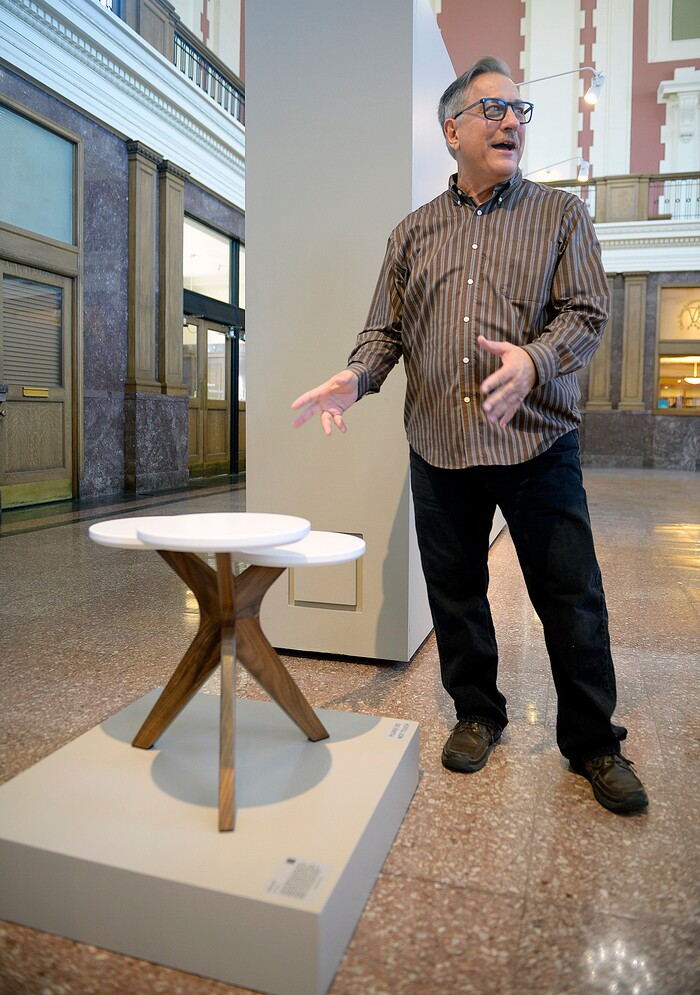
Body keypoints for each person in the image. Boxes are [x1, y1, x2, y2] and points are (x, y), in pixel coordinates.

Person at [291, 56, 648, 815]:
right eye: (493, 111)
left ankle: (593, 742)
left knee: (572, 599)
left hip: (538, 444)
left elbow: (585, 314)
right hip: (439, 445)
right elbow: (385, 330)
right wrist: (355, 378)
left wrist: (533, 360)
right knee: (457, 597)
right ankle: (477, 713)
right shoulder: (412, 232)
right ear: (452, 130)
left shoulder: (560, 216)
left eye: (519, 109)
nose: (512, 120)